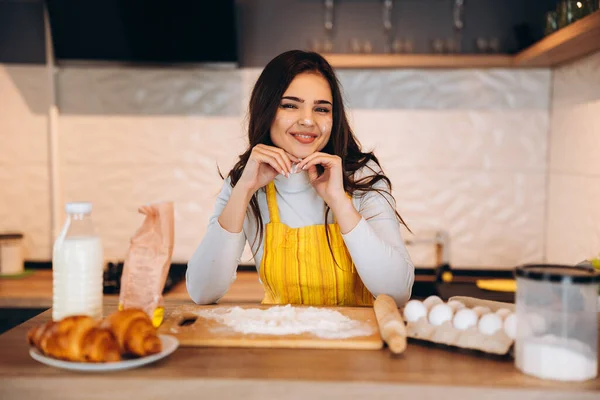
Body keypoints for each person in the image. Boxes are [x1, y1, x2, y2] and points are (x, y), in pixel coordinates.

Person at [186, 50, 414, 307]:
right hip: (284, 342)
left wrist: (339, 201)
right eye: (290, 105)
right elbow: (202, 291)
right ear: (266, 109)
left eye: (321, 109)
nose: (308, 120)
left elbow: (397, 292)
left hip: (357, 343)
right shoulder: (245, 181)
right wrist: (243, 190)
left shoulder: (361, 177)